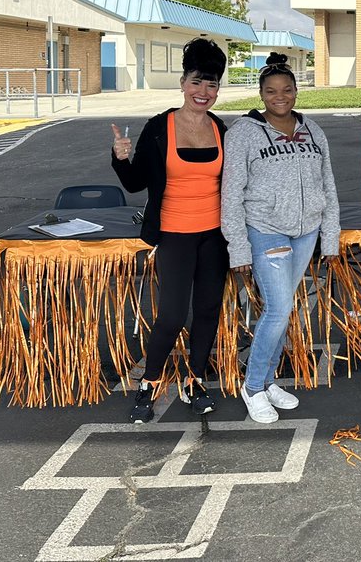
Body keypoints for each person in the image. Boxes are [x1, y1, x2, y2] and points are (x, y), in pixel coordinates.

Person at [110, 38, 229, 424]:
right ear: (182, 83)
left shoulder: (220, 128)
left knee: (208, 310)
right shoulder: (160, 127)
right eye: (197, 82)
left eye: (212, 84)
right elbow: (134, 183)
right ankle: (149, 383)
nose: (203, 91)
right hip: (175, 234)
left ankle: (195, 380)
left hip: (214, 236)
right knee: (173, 316)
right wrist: (120, 157)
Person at [221, 53, 340, 423]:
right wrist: (238, 246)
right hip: (265, 228)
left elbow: (328, 185)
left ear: (296, 91)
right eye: (271, 91)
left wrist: (330, 236)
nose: (280, 96)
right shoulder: (243, 133)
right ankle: (253, 387)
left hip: (306, 231)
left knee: (284, 308)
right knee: (278, 308)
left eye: (287, 89)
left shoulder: (312, 130)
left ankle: (268, 380)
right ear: (261, 94)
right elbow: (231, 192)